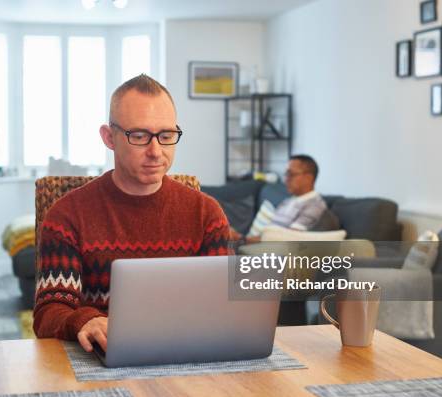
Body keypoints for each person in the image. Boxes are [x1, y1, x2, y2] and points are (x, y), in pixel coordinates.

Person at [33, 74, 231, 352]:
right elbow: (48, 314)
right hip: (101, 359)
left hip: (188, 355)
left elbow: (223, 303)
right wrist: (86, 321)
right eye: (139, 136)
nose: (156, 151)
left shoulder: (206, 214)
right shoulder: (67, 215)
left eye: (166, 136)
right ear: (109, 137)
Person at [245, 155, 326, 243]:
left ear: (308, 178)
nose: (286, 179)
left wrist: (242, 240)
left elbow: (287, 238)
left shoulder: (314, 206)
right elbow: (267, 233)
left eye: (291, 174)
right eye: (286, 174)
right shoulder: (288, 200)